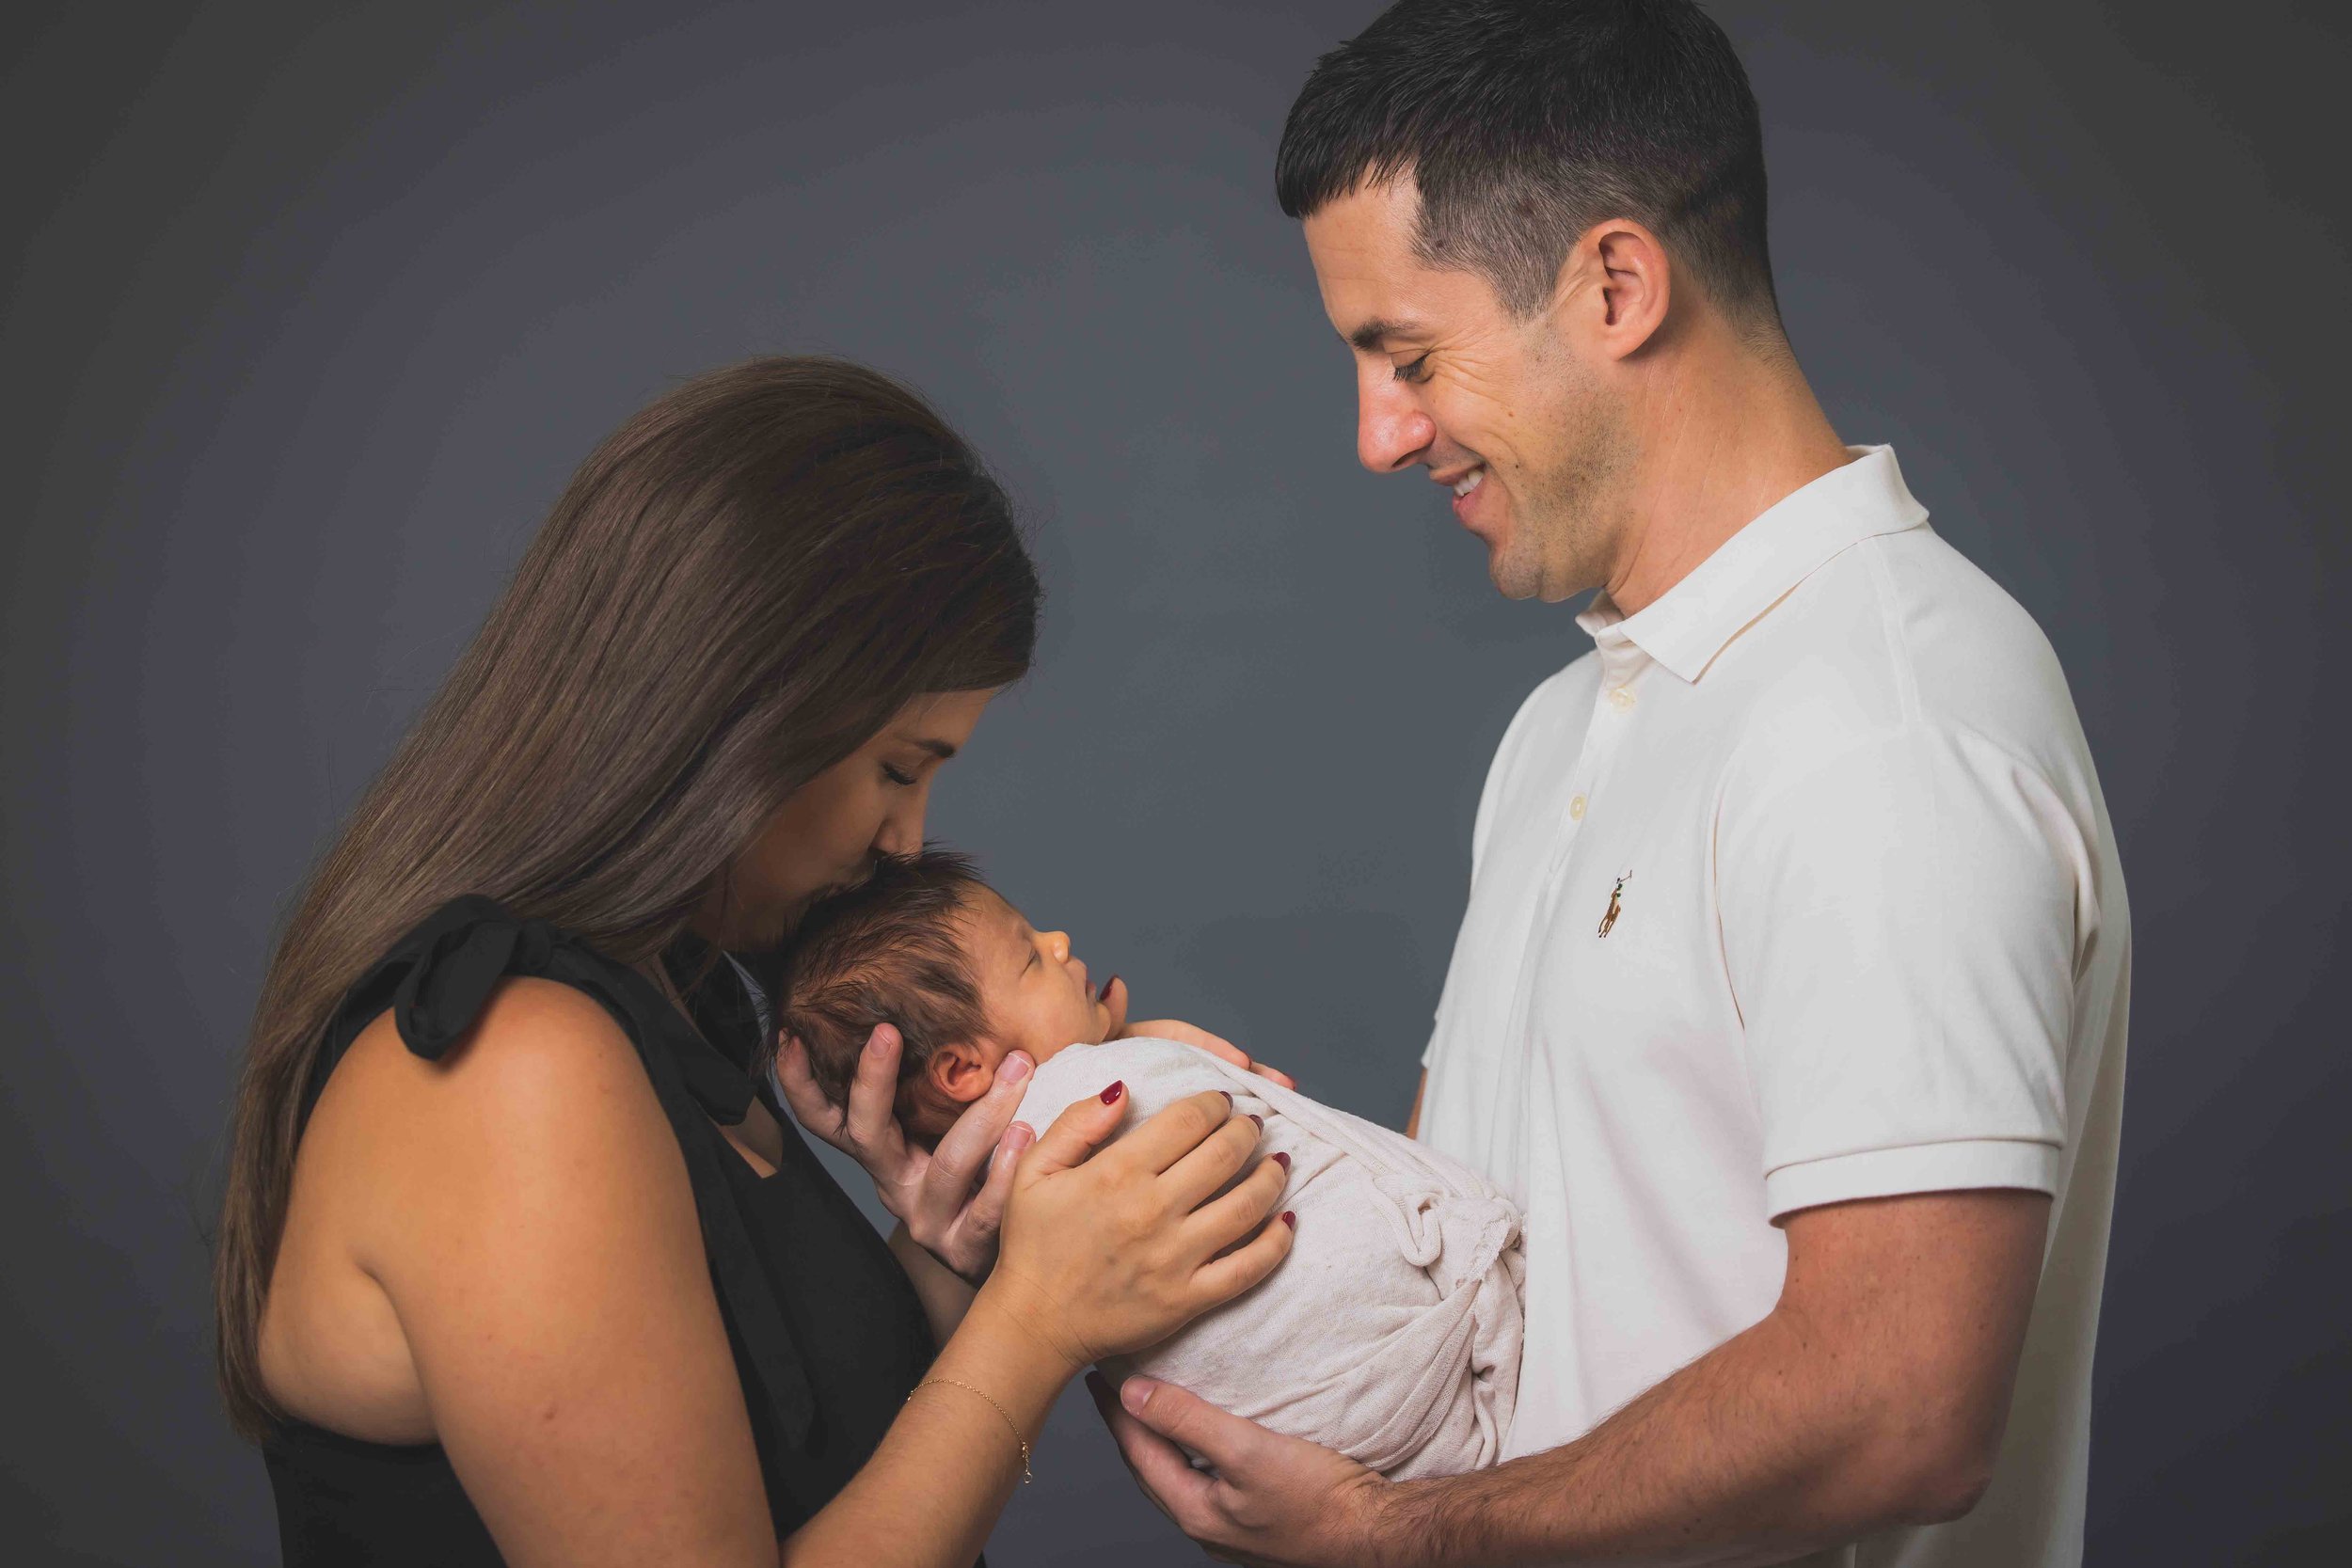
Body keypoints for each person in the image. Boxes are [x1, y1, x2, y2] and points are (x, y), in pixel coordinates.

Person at [1089, 4, 2131, 1566]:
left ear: (1616, 285)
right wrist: (1114, 1143)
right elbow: (1470, 1307)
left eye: (1408, 352)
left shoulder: (1883, 730)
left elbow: (1904, 1400)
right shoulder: (1563, 727)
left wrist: (1406, 1537)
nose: (1378, 435)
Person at [212, 356, 1296, 1567]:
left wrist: (959, 1246)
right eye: (898, 766)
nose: (909, 839)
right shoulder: (510, 1065)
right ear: (747, 707)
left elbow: (811, 1456)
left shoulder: (673, 1018)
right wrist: (1039, 1322)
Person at [776, 848, 1526, 1480]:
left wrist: (1136, 1046)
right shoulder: (1077, 1123)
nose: (1062, 940)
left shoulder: (1011, 1189)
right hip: (1379, 1368)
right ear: (964, 1069)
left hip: (1317, 1441)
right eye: (1031, 956)